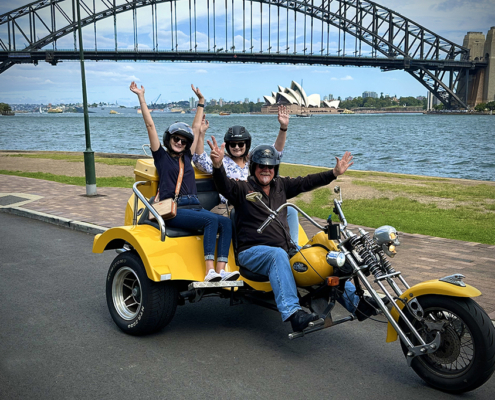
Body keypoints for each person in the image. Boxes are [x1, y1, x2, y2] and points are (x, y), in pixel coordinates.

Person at [208, 139, 375, 332]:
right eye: (261, 166)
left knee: (323, 258)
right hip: (251, 253)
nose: (266, 170)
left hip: (286, 250)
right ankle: (293, 313)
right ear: (253, 167)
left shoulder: (281, 186)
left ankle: (358, 304)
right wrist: (218, 165)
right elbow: (223, 186)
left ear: (275, 169)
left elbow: (306, 182)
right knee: (276, 254)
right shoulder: (242, 189)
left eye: (270, 167)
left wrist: (334, 173)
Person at [129, 81, 238, 282]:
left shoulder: (187, 157)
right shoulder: (161, 158)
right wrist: (141, 97)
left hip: (195, 207)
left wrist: (201, 102)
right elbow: (150, 125)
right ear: (169, 139)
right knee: (211, 219)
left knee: (226, 222)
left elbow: (195, 128)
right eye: (176, 139)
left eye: (183, 141)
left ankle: (222, 271)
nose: (180, 142)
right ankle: (209, 272)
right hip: (174, 210)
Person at [190, 88, 301, 246]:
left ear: (246, 144)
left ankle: (293, 247)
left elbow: (276, 152)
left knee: (289, 209)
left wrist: (283, 128)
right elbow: (200, 160)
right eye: (233, 144)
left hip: (262, 203)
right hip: (239, 205)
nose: (237, 147)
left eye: (240, 144)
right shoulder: (222, 163)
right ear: (227, 146)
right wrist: (200, 134)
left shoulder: (254, 161)